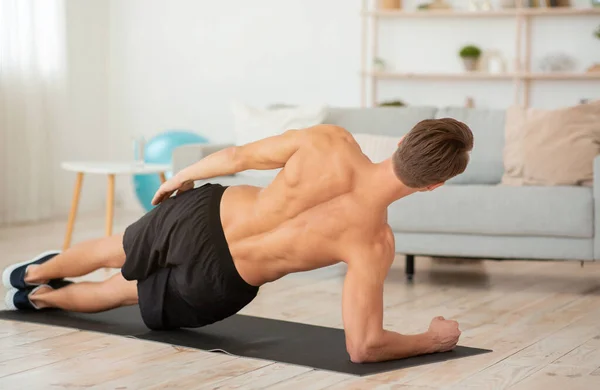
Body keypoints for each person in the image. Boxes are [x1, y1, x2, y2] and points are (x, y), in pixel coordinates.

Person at [3, 118, 473, 363]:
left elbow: (234, 156)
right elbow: (363, 347)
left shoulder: (330, 141)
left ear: (399, 144)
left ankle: (30, 273)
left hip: (206, 214)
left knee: (115, 247)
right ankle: (42, 300)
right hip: (219, 279)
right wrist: (431, 340)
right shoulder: (374, 242)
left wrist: (182, 176)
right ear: (432, 185)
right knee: (119, 291)